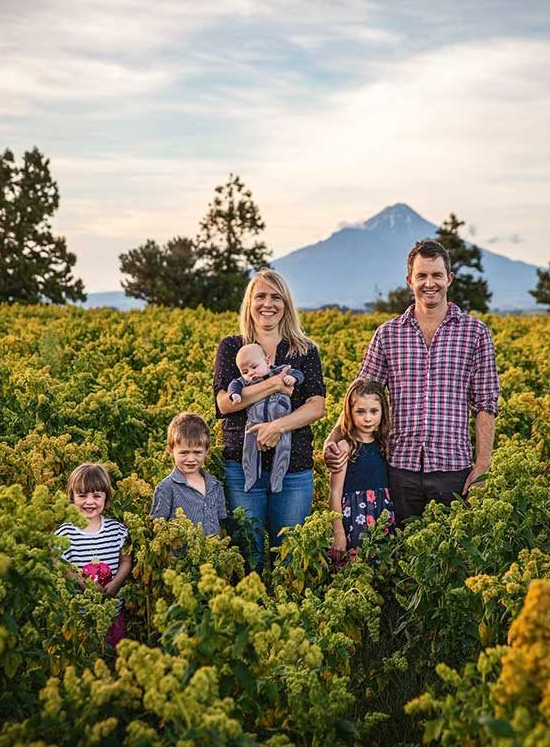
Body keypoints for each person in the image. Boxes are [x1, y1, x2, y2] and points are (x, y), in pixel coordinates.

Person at [324, 239, 500, 524]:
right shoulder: (388, 334)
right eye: (422, 276)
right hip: (399, 468)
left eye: (436, 275)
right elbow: (361, 393)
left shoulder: (475, 333)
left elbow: (485, 404)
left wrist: (482, 468)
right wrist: (333, 439)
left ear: (449, 279)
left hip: (453, 468)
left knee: (448, 555)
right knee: (401, 553)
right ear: (410, 281)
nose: (429, 283)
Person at [214, 268, 326, 571]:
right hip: (241, 467)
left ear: (286, 304)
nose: (268, 303)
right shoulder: (232, 347)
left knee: (290, 558)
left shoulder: (304, 350)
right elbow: (225, 403)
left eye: (276, 297)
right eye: (260, 296)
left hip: (294, 469)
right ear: (249, 303)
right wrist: (275, 385)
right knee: (248, 559)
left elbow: (317, 405)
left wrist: (277, 427)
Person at [55, 462, 132, 647]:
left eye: (96, 496)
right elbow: (59, 564)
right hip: (80, 614)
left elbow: (126, 560)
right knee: (84, 653)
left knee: (114, 653)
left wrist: (115, 583)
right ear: (72, 498)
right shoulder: (65, 533)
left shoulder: (117, 530)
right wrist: (83, 583)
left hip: (112, 610)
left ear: (106, 499)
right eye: (82, 496)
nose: (90, 502)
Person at [329, 379, 395, 562]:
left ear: (383, 412)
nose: (368, 418)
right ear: (349, 413)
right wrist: (338, 532)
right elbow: (334, 492)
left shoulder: (385, 444)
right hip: (353, 517)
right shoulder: (345, 447)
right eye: (360, 412)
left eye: (374, 411)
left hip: (381, 514)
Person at [228, 342, 304, 493]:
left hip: (281, 420)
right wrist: (235, 394)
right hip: (254, 421)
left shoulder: (280, 370)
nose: (251, 373)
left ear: (267, 361)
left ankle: (277, 480)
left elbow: (299, 373)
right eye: (245, 371)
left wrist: (293, 379)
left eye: (254, 367)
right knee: (249, 449)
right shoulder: (245, 382)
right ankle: (250, 479)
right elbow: (234, 384)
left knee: (284, 449)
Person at [150, 412, 227, 535]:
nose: (191, 459)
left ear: (206, 451)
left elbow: (221, 524)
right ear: (170, 451)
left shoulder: (215, 486)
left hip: (214, 552)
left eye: (197, 452)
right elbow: (158, 528)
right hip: (182, 554)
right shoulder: (166, 488)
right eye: (184, 453)